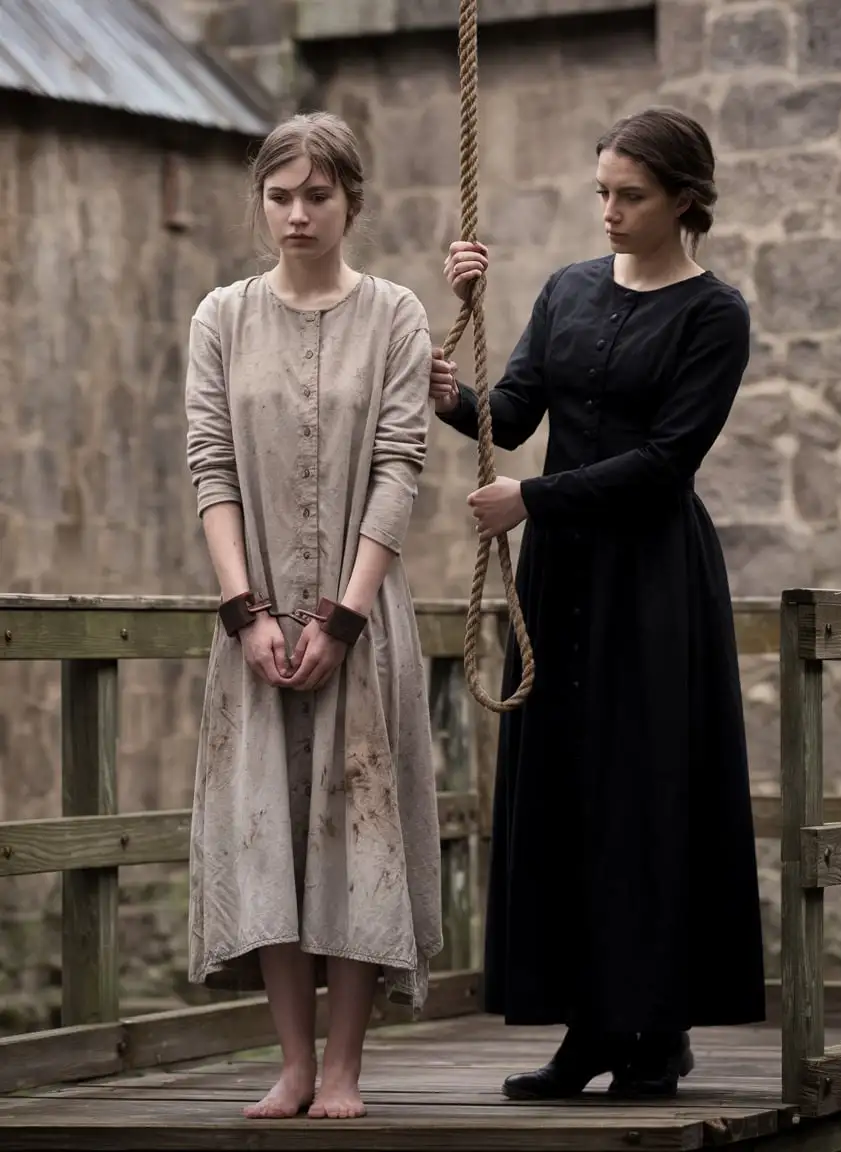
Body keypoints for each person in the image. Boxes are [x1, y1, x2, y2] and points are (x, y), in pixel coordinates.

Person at [430, 106, 765, 1100]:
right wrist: (450, 384)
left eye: (632, 196)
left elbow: (666, 464)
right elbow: (517, 413)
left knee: (643, 795)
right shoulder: (568, 288)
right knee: (566, 793)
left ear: (685, 202)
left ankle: (657, 1031)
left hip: (653, 581)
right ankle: (586, 1031)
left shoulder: (716, 315)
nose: (610, 212)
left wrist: (531, 499)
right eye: (602, 193)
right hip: (561, 575)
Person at [184, 111, 442, 1120]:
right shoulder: (221, 316)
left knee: (351, 832)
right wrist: (245, 611)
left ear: (352, 203)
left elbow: (399, 465)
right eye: (281, 196)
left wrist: (341, 617)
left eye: (317, 196)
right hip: (252, 628)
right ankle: (289, 1064)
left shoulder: (397, 316)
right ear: (261, 201)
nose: (297, 214)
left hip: (360, 623)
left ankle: (343, 1068)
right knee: (270, 841)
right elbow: (210, 466)